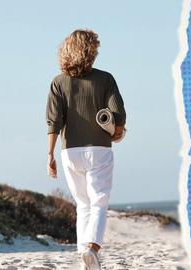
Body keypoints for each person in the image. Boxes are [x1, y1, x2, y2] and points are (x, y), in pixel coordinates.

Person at [46, 29, 126, 270]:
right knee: (99, 202)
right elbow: (119, 114)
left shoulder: (58, 82)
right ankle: (92, 248)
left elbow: (54, 121)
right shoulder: (105, 79)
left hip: (68, 152)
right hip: (98, 149)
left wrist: (49, 154)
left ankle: (85, 261)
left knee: (83, 205)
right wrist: (117, 128)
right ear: (90, 51)